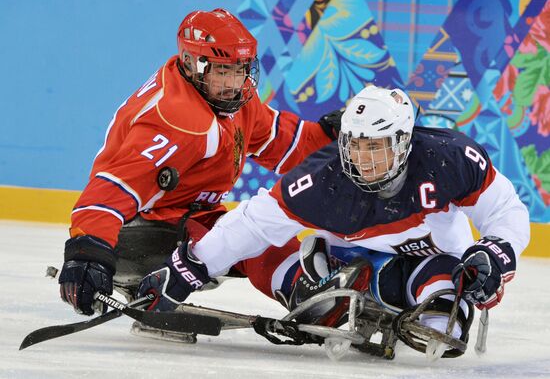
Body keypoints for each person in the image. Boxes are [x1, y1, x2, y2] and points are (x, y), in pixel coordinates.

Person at [145, 84, 529, 339]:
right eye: (355, 146)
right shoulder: (322, 179)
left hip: (434, 260)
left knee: (446, 332)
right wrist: (189, 270)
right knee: (319, 302)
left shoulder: (450, 158)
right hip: (346, 260)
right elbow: (253, 224)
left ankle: (399, 292)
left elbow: (506, 209)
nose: (363, 160)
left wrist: (495, 253)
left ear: (404, 142)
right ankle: (320, 280)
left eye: (375, 147)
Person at [57, 8, 341, 316]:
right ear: (192, 64)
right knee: (240, 237)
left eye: (241, 68)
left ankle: (311, 291)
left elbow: (283, 143)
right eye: (223, 70)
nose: (235, 81)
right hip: (137, 233)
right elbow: (112, 189)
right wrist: (87, 252)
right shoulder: (177, 119)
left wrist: (332, 138)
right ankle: (307, 297)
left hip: (186, 216)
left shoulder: (228, 99)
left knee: (247, 231)